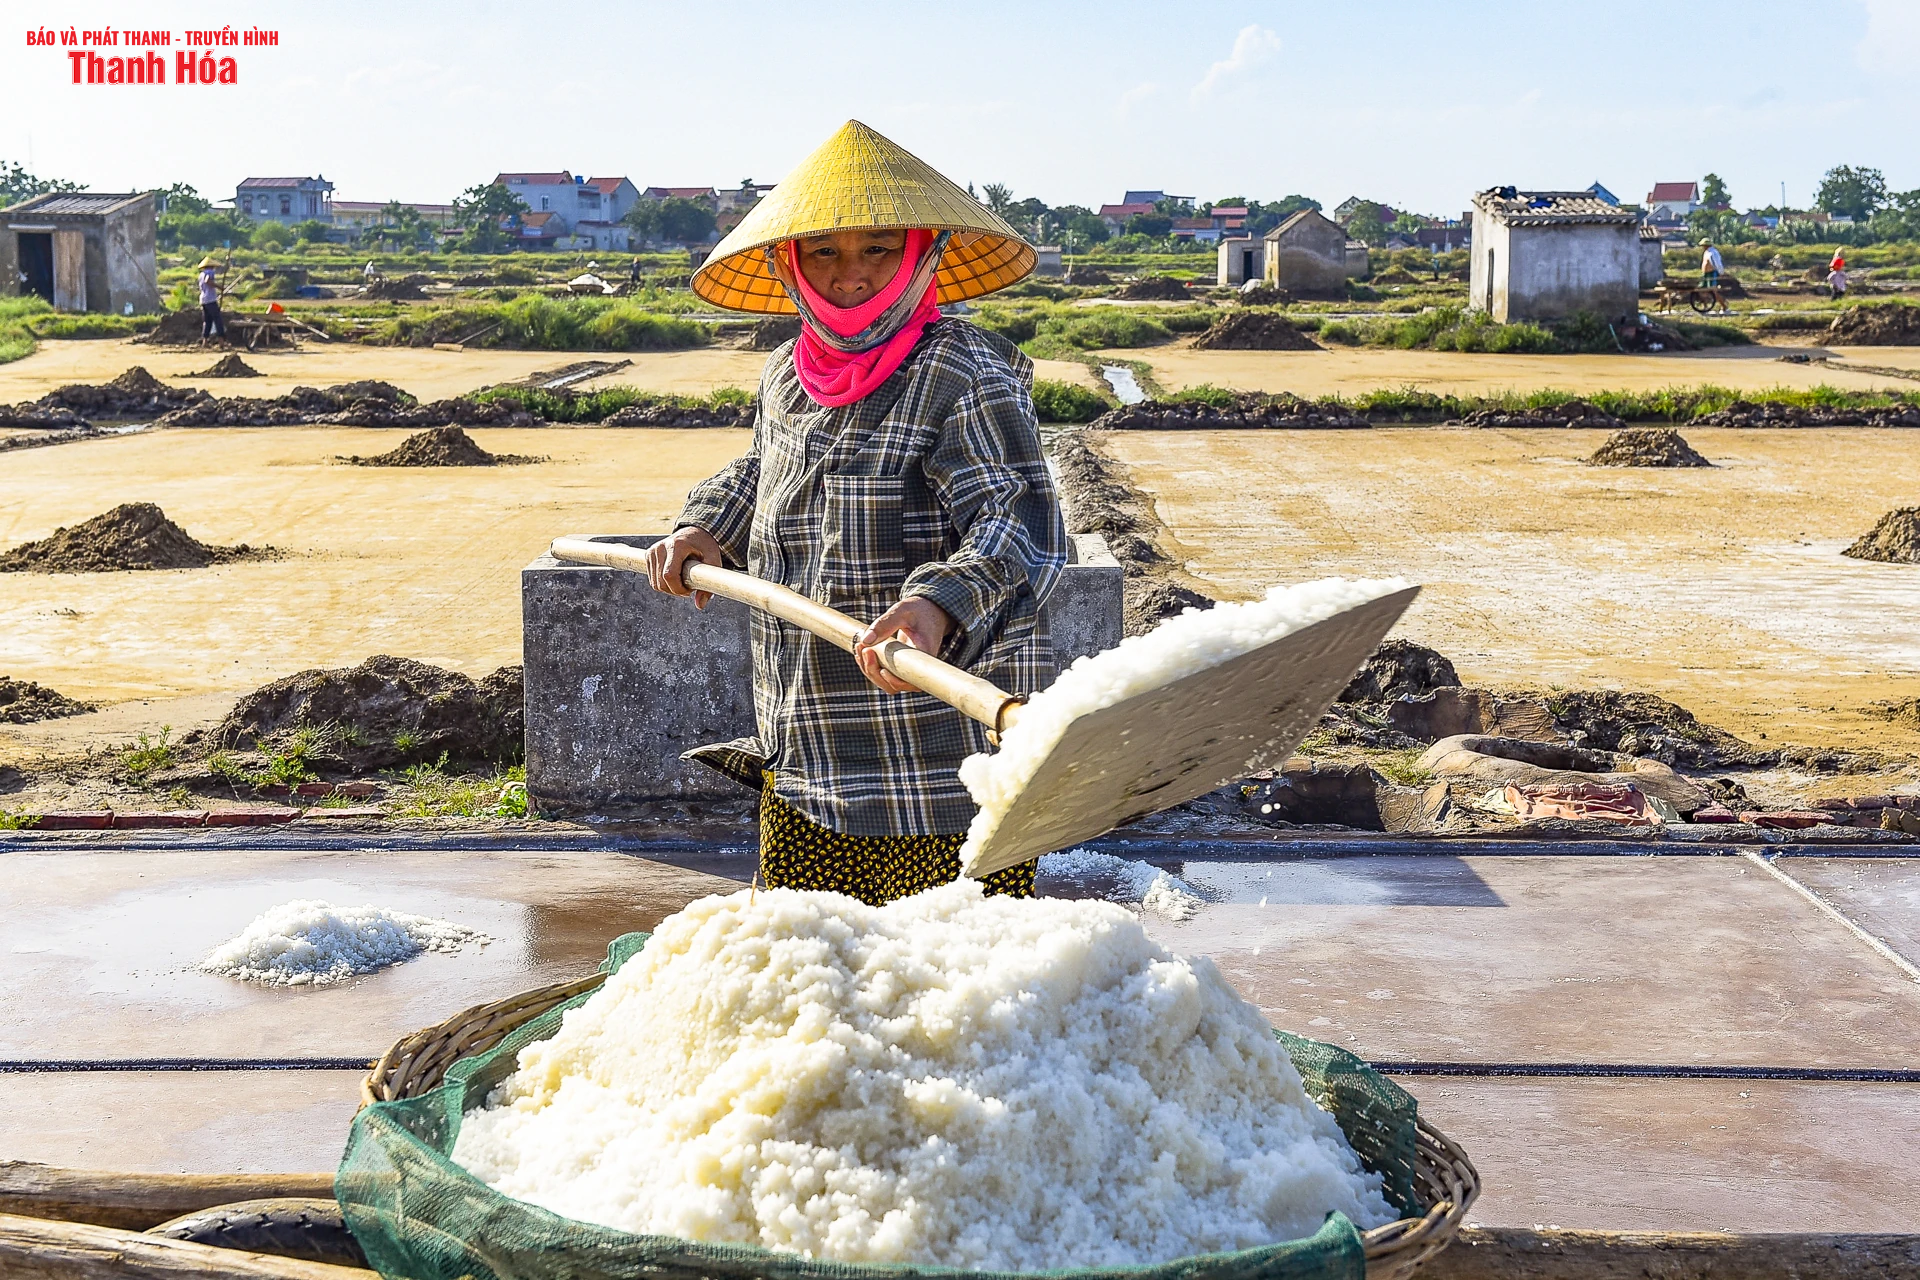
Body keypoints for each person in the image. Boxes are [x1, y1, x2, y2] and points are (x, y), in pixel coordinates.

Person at [646, 120, 1064, 907]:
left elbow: (1019, 521)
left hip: (936, 744)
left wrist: (938, 603)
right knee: (816, 975)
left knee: (955, 993)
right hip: (806, 731)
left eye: (878, 250)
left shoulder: (961, 369)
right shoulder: (785, 372)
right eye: (825, 253)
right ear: (790, 264)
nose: (851, 276)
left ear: (920, 257)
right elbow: (768, 466)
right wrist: (705, 527)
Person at [196, 256, 225, 340]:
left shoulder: (201, 274)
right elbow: (207, 281)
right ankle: (221, 341)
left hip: (203, 300)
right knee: (218, 320)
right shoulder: (210, 272)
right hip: (210, 299)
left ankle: (205, 341)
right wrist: (219, 287)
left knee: (207, 321)